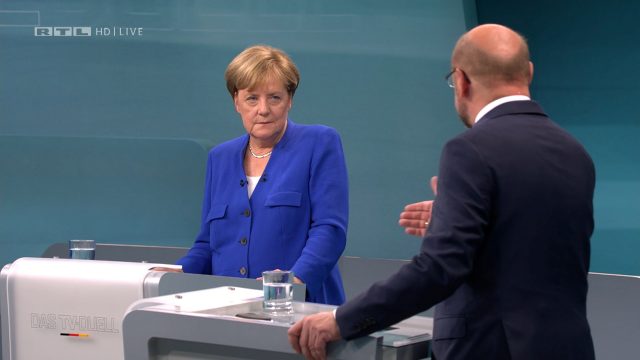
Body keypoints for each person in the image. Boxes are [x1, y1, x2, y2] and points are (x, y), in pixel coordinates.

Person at [288, 23, 596, 359]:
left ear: (461, 81)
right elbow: (530, 241)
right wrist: (456, 217)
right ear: (529, 73)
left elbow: (439, 269)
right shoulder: (575, 153)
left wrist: (343, 320)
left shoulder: (469, 150)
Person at [173, 45, 349, 305]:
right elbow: (207, 244)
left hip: (302, 308)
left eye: (274, 97)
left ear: (290, 99)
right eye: (252, 98)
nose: (263, 109)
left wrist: (296, 280)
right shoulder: (219, 157)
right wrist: (177, 273)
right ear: (237, 101)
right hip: (226, 310)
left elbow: (330, 230)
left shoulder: (319, 142)